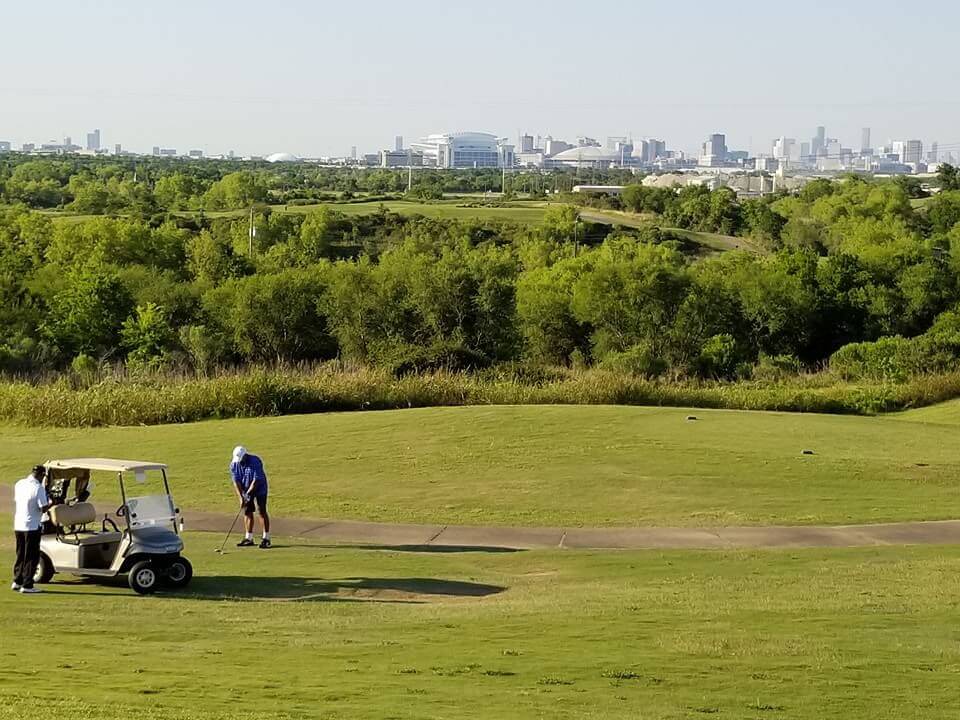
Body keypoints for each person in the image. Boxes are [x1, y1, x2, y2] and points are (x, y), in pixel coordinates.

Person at [13, 465, 52, 594]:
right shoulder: (38, 488)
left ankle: (17, 581)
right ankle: (27, 585)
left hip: (18, 525)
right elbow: (43, 508)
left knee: (20, 554)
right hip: (32, 526)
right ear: (41, 475)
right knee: (31, 556)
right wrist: (51, 502)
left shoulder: (19, 484)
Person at [229, 446, 271, 548]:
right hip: (245, 487)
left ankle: (266, 538)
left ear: (245, 455)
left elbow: (256, 480)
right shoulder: (234, 464)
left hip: (260, 488)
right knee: (247, 511)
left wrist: (248, 494)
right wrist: (241, 497)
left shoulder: (255, 461)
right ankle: (249, 538)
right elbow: (236, 482)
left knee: (261, 511)